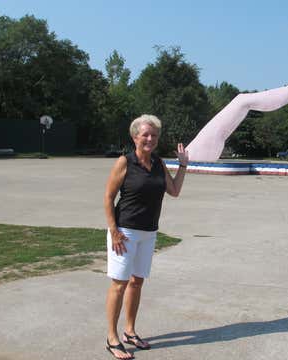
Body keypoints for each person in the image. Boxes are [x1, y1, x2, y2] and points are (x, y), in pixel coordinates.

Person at [103, 114, 188, 359]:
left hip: (148, 232)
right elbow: (108, 197)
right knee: (119, 284)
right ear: (135, 137)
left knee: (137, 282)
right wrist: (114, 231)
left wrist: (182, 165)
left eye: (154, 135)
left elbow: (174, 191)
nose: (150, 139)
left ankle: (129, 331)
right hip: (125, 232)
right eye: (145, 135)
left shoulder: (159, 163)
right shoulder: (125, 162)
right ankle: (112, 337)